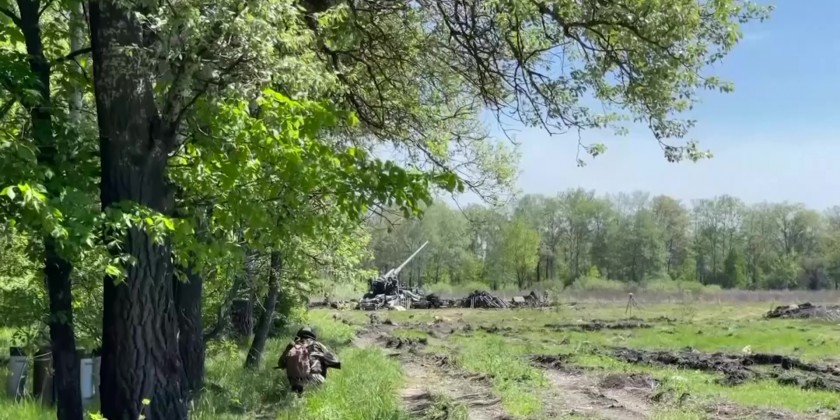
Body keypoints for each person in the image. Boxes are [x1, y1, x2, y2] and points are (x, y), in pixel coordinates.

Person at [277, 326, 341, 394]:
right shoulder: (317, 345)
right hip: (315, 379)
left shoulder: (293, 346)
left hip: (295, 382)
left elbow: (281, 364)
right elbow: (335, 361)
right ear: (312, 335)